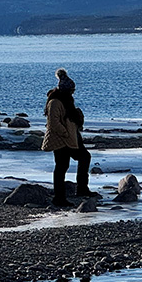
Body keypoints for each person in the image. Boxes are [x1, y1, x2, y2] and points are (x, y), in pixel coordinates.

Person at [42, 67, 93, 207]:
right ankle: (59, 197)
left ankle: (81, 188)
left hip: (70, 137)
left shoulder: (66, 101)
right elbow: (53, 122)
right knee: (61, 167)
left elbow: (70, 119)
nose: (73, 93)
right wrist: (65, 133)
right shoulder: (55, 102)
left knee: (83, 157)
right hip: (60, 139)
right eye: (71, 90)